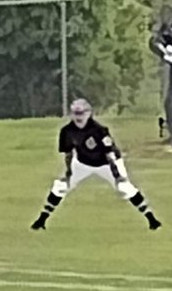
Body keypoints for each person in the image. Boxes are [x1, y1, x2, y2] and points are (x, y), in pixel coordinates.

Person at [31, 98, 161, 231]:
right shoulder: (67, 131)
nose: (78, 117)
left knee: (124, 187)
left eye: (81, 113)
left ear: (89, 113)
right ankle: (41, 220)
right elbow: (68, 153)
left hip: (107, 164)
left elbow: (110, 153)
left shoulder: (99, 130)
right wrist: (68, 172)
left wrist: (117, 175)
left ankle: (151, 219)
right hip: (82, 163)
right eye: (75, 113)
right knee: (61, 186)